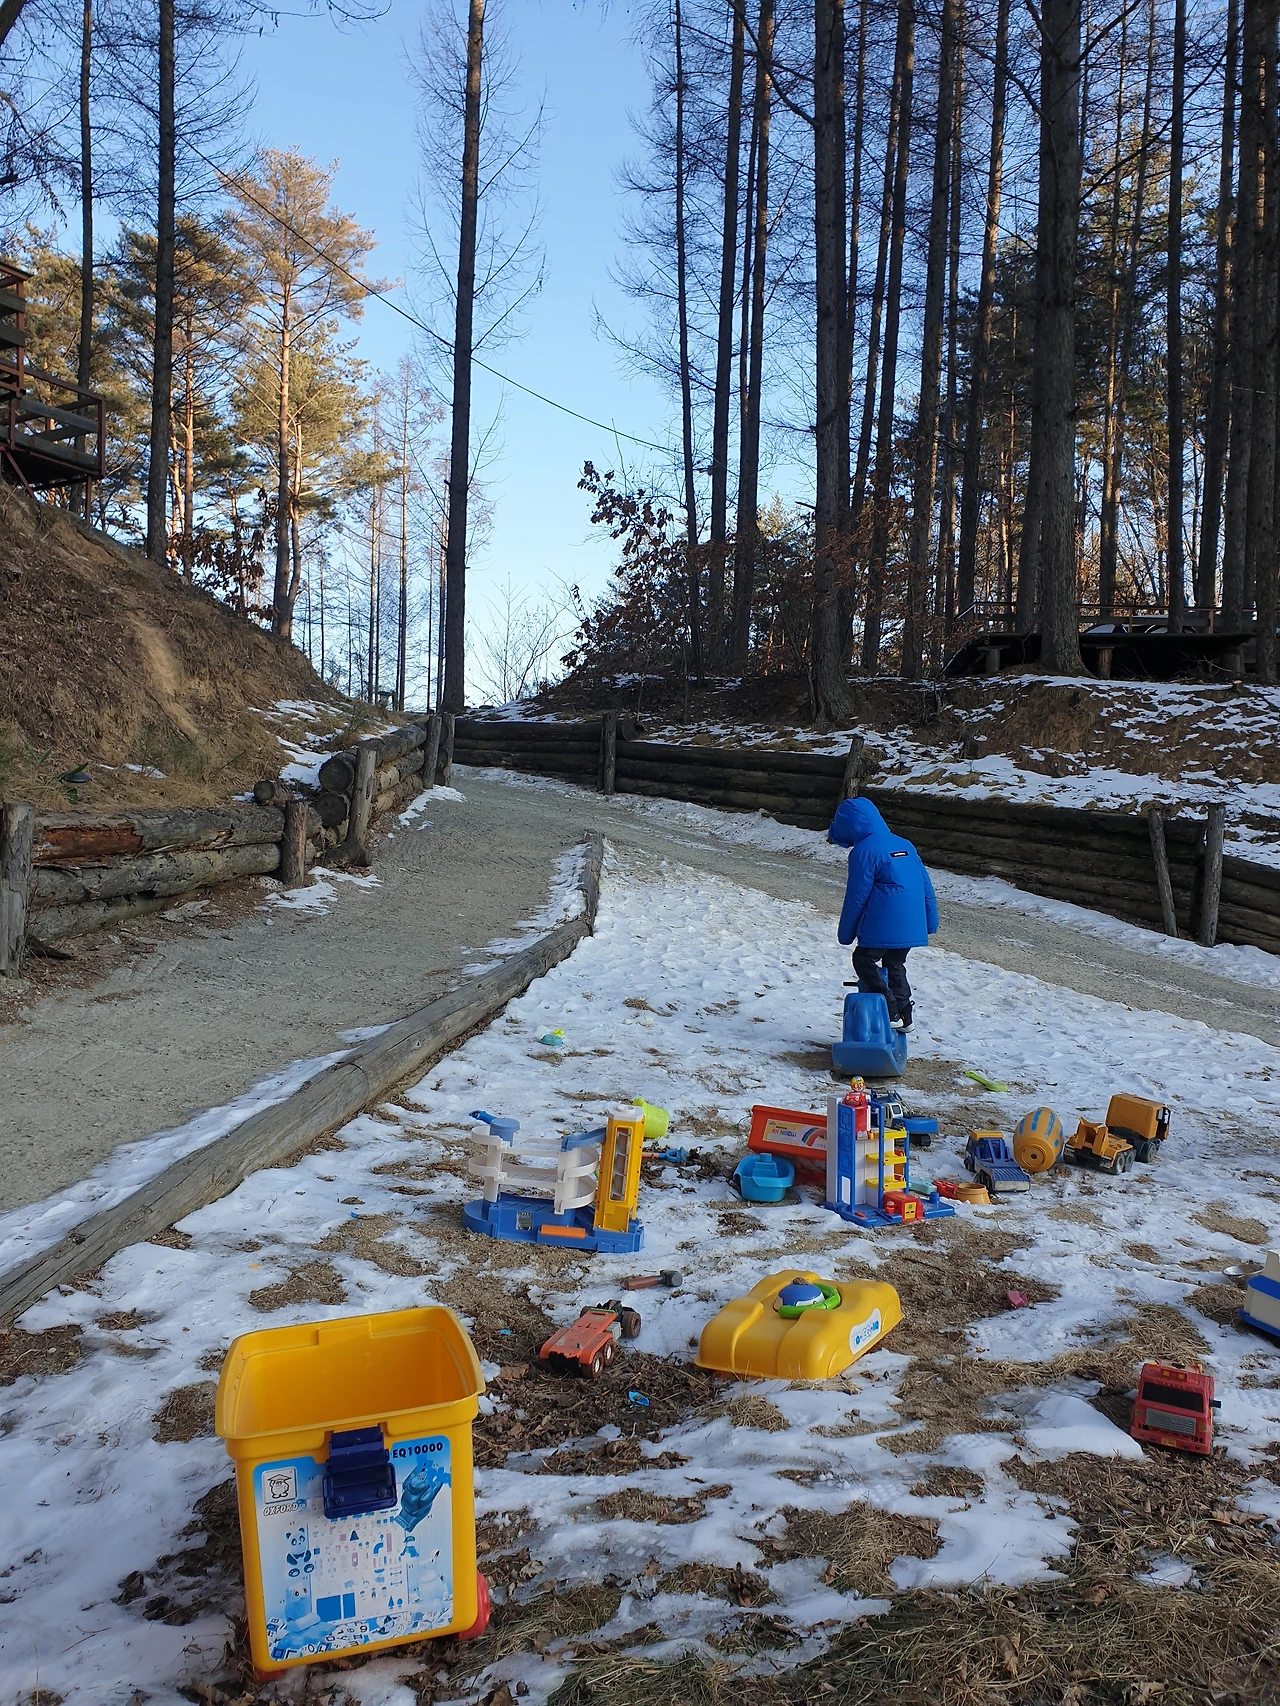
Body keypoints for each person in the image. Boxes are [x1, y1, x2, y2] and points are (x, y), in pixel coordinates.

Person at [828, 796, 938, 1032]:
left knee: (863, 959)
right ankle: (905, 1015)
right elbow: (926, 887)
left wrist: (845, 934)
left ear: (850, 825)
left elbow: (856, 897)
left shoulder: (864, 852)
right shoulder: (904, 844)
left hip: (883, 923)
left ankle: (889, 1009)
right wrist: (931, 922)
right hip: (912, 923)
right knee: (895, 964)